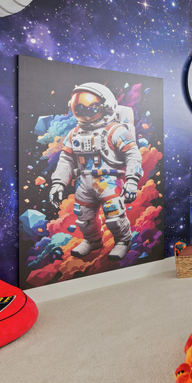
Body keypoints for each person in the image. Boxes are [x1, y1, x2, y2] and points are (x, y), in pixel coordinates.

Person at [49, 82, 143, 261]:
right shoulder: (74, 133)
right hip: (83, 182)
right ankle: (92, 240)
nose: (85, 112)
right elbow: (66, 159)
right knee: (83, 217)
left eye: (91, 107)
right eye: (79, 107)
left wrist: (132, 180)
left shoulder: (115, 131)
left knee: (114, 216)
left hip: (108, 180)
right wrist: (58, 183)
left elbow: (133, 155)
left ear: (107, 106)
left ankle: (122, 241)